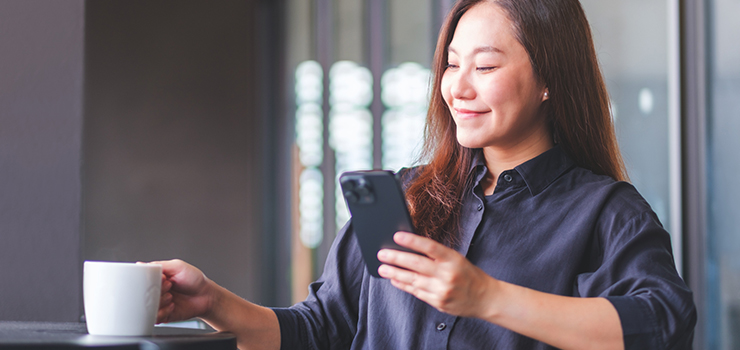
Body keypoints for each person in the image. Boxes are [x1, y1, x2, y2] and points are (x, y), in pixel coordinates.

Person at [154, 0, 696, 349]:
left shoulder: (605, 212)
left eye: (484, 67)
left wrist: (485, 297)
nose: (457, 88)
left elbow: (665, 325)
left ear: (549, 78)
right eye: (451, 65)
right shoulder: (409, 195)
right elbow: (320, 330)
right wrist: (214, 305)